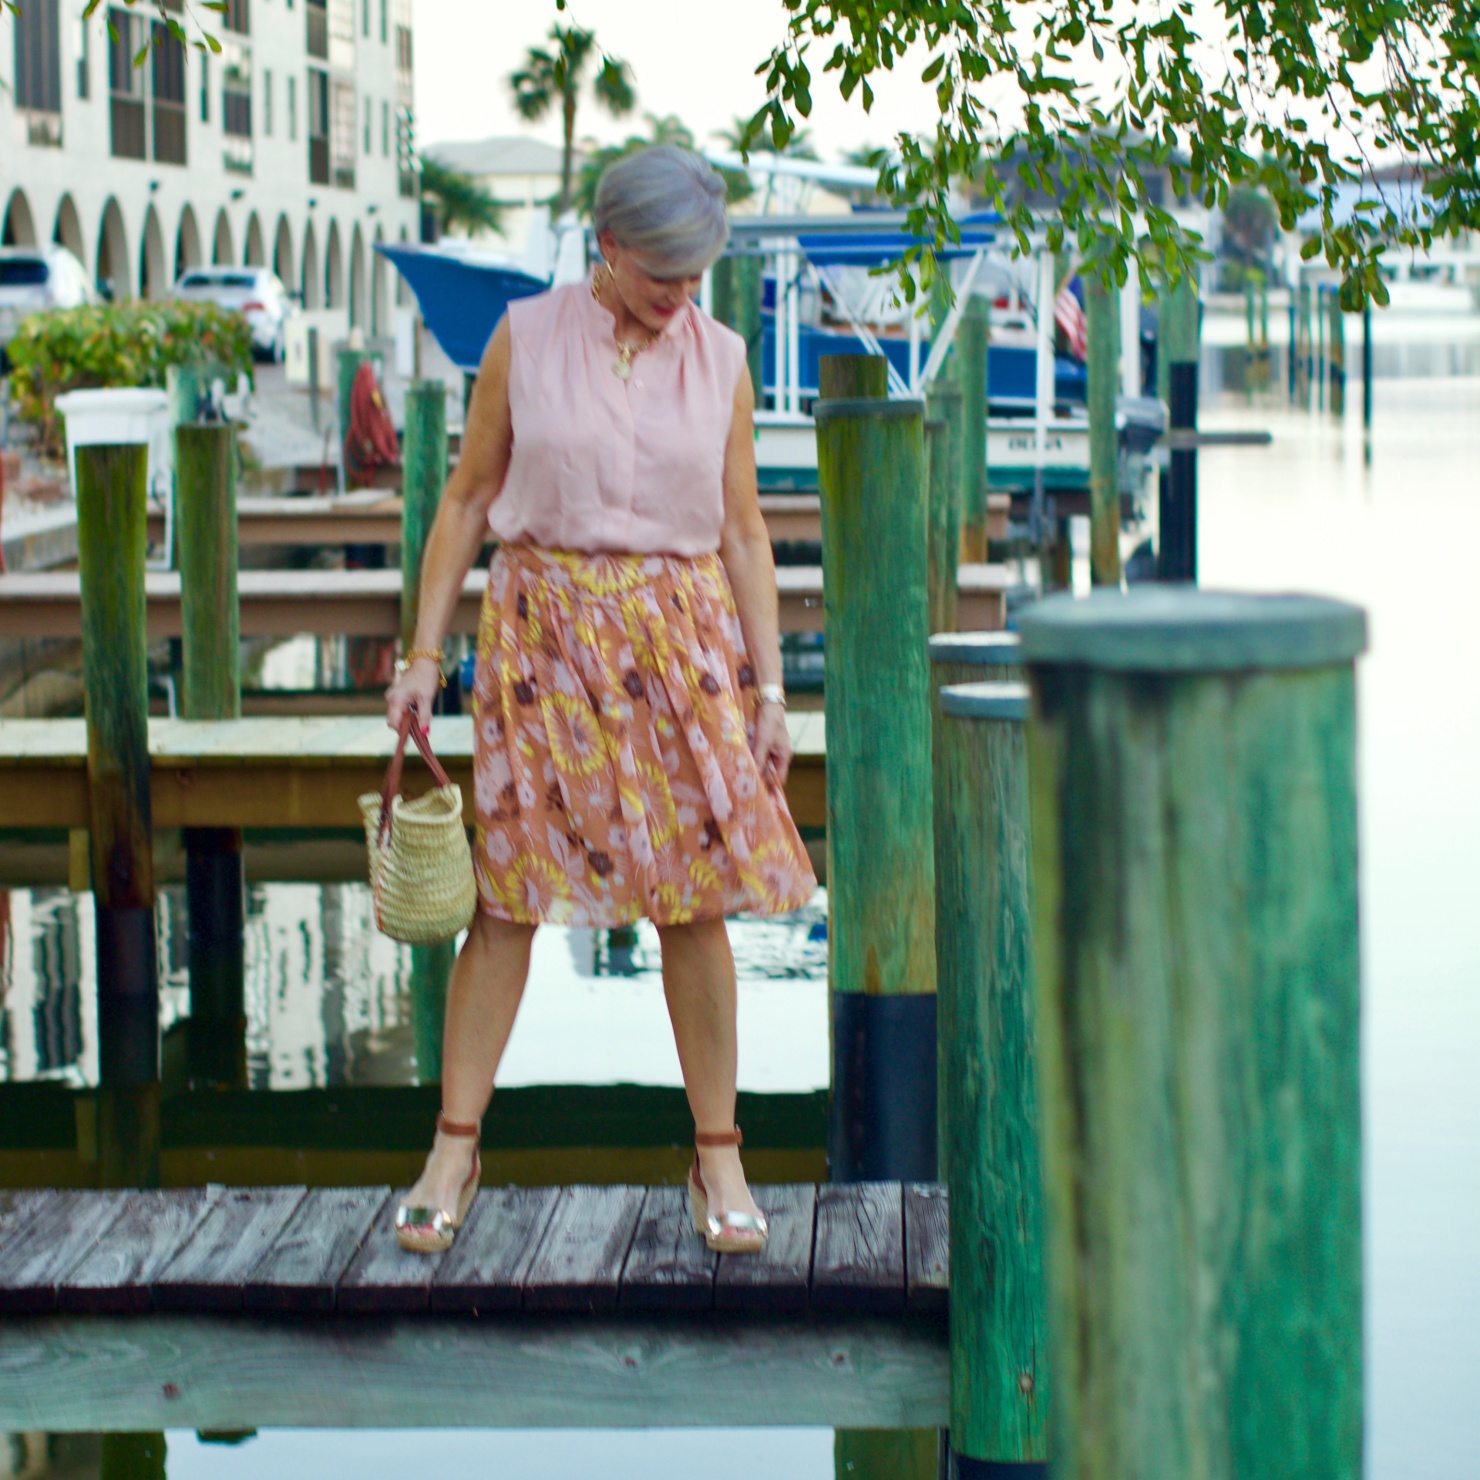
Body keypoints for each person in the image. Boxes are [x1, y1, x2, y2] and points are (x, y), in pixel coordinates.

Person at [385, 145, 816, 1257]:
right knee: (509, 895)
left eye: (696, 277)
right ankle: (453, 1143)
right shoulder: (523, 338)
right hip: (542, 642)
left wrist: (770, 690)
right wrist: (419, 659)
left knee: (697, 898)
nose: (681, 298)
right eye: (663, 274)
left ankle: (716, 1152)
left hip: (681, 647)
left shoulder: (719, 357)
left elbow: (743, 529)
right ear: (607, 247)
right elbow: (469, 495)